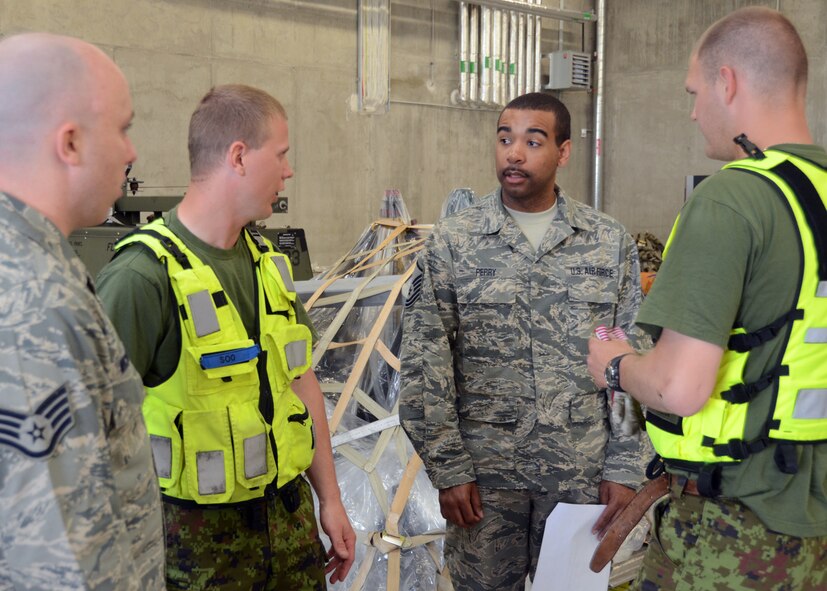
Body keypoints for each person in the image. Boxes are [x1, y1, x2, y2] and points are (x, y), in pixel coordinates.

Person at [587, 7, 827, 591]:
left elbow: (680, 387)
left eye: (696, 92)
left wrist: (615, 366)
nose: (694, 112)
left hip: (728, 531)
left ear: (728, 82)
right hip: (810, 525)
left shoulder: (730, 201)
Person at [96, 84, 355, 590]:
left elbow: (301, 384)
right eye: (280, 155)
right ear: (239, 156)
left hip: (290, 530)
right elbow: (91, 435)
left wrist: (331, 500)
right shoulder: (141, 278)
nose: (288, 171)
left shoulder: (267, 266)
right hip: (194, 550)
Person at [399, 92, 651, 591]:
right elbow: (426, 363)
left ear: (563, 152)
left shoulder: (607, 241)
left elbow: (631, 358)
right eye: (504, 139)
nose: (513, 153)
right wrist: (448, 469)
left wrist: (625, 465)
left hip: (580, 475)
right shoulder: (454, 240)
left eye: (532, 142)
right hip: (485, 483)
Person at [0, 33, 164, 589]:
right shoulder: (33, 301)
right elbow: (62, 561)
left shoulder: (38, 262)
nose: (131, 151)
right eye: (122, 127)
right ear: (68, 143)